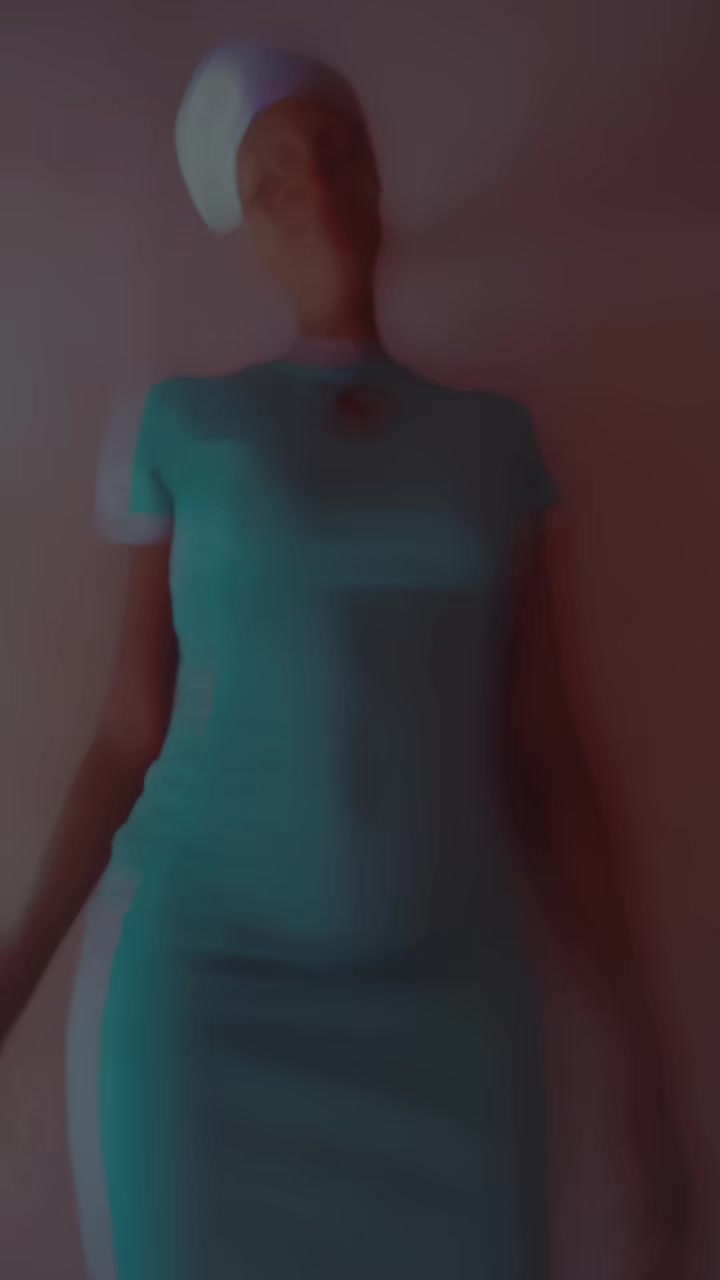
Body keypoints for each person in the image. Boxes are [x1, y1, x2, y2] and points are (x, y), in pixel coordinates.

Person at [0, 40, 683, 1280]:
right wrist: (9, 978)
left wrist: (643, 1052)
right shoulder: (183, 424)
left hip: (453, 1008)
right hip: (208, 996)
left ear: (376, 177)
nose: (311, 183)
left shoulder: (496, 441)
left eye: (334, 148)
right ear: (244, 228)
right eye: (270, 175)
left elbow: (547, 750)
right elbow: (128, 730)